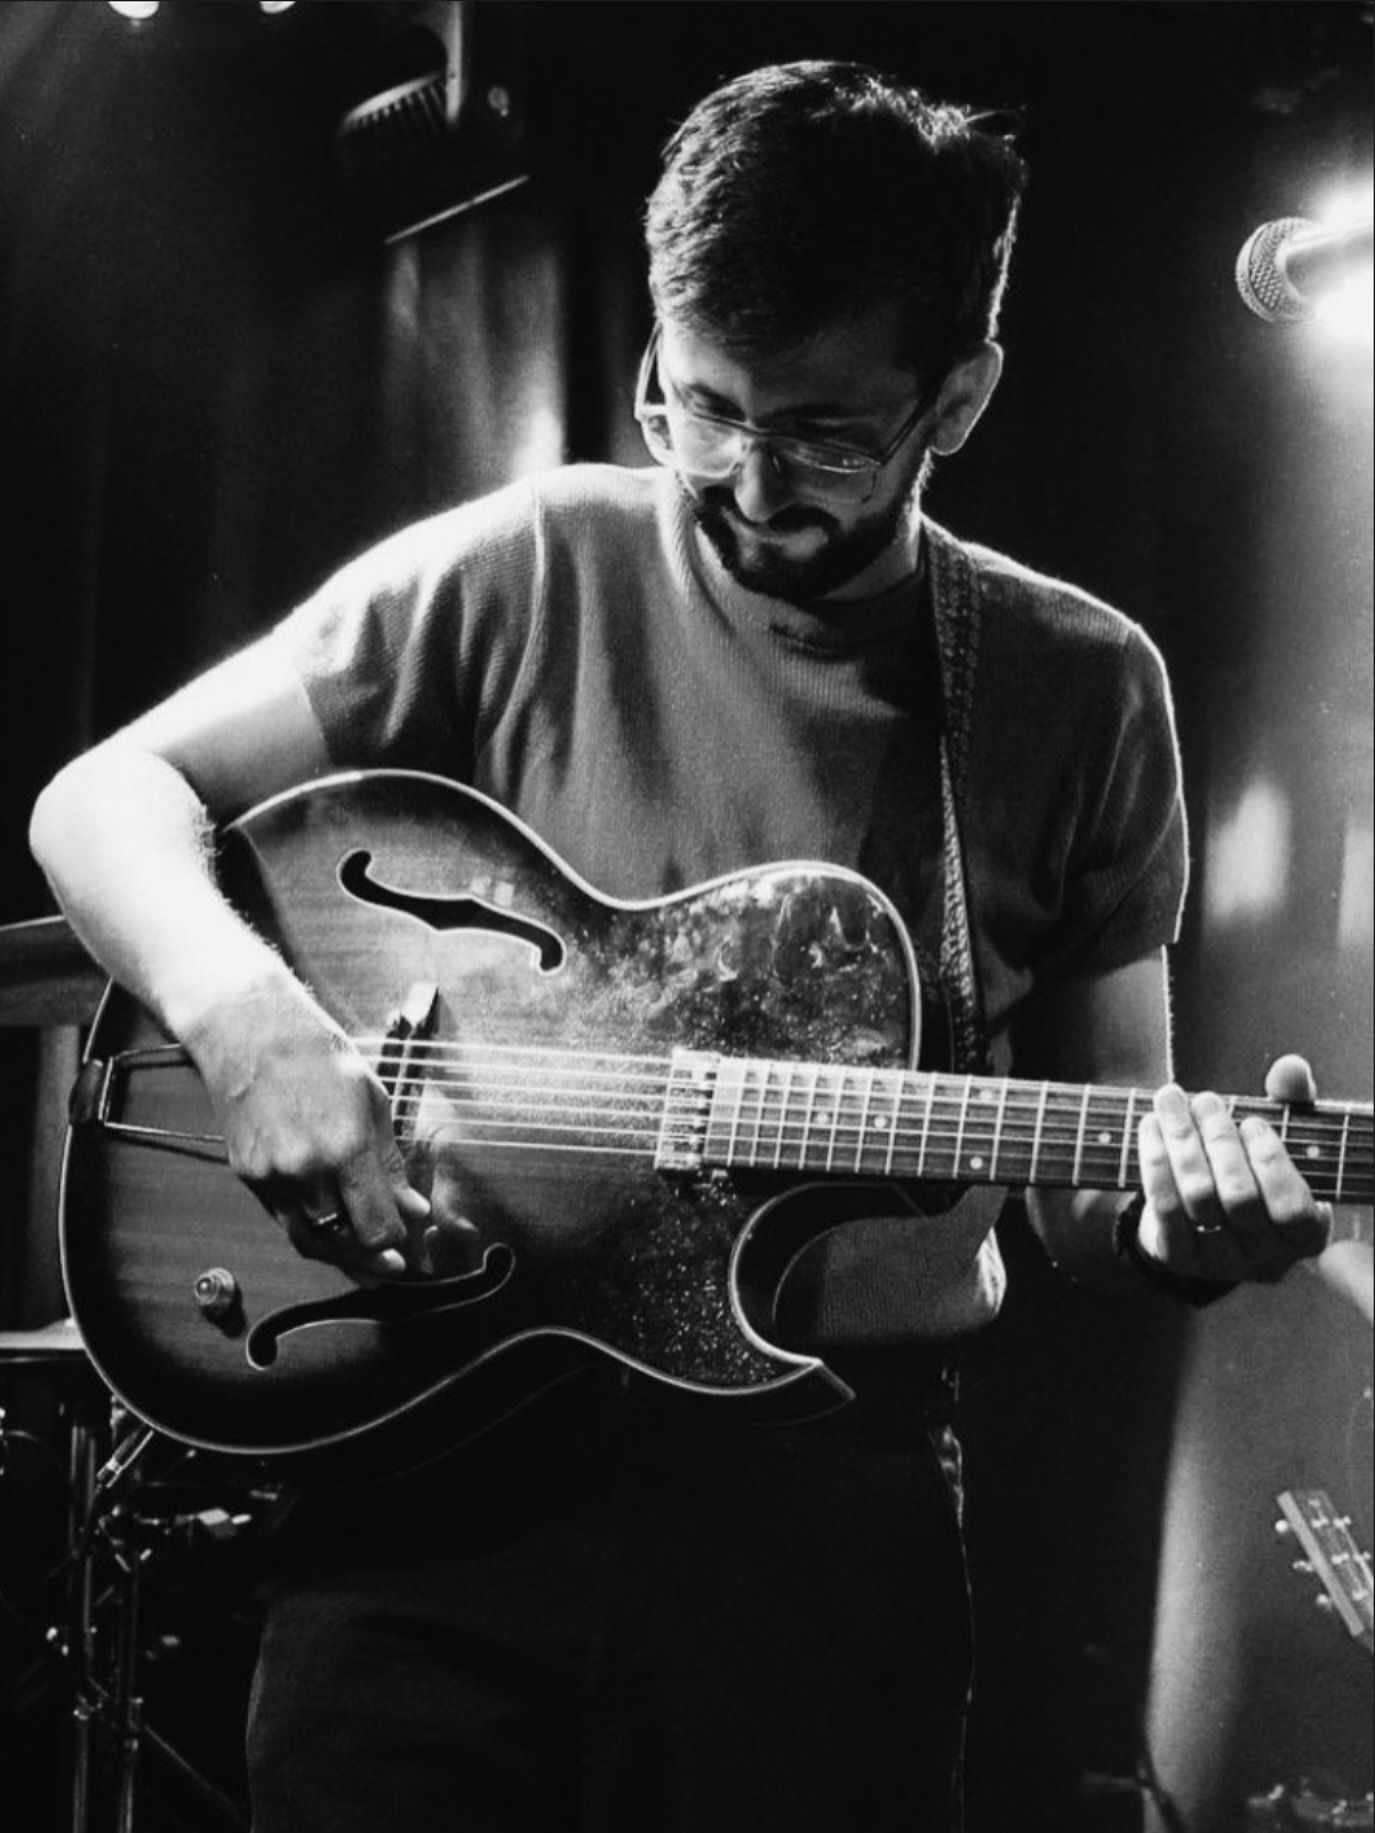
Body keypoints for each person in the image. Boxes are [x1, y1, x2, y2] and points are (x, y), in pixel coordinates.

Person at [30, 59, 1334, 1833]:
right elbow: (104, 800)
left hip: (821, 1531)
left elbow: (1098, 1175)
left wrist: (1185, 1225)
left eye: (819, 433)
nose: (734, 473)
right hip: (436, 1493)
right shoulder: (528, 564)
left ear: (961, 396)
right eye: (695, 402)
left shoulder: (1080, 690)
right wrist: (248, 1015)